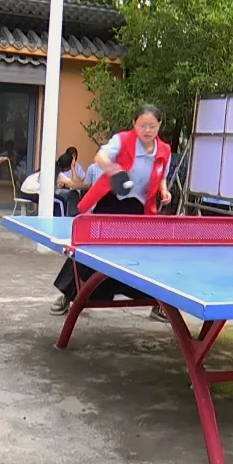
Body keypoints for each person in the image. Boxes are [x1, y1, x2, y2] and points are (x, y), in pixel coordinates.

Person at [50, 104, 172, 316]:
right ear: (134, 124)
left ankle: (158, 303)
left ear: (159, 125)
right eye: (142, 125)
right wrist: (114, 170)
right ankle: (67, 295)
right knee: (89, 248)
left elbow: (162, 176)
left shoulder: (164, 150)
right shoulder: (122, 140)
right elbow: (100, 156)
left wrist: (164, 190)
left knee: (140, 257)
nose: (147, 130)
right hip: (112, 201)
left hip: (138, 209)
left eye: (152, 126)